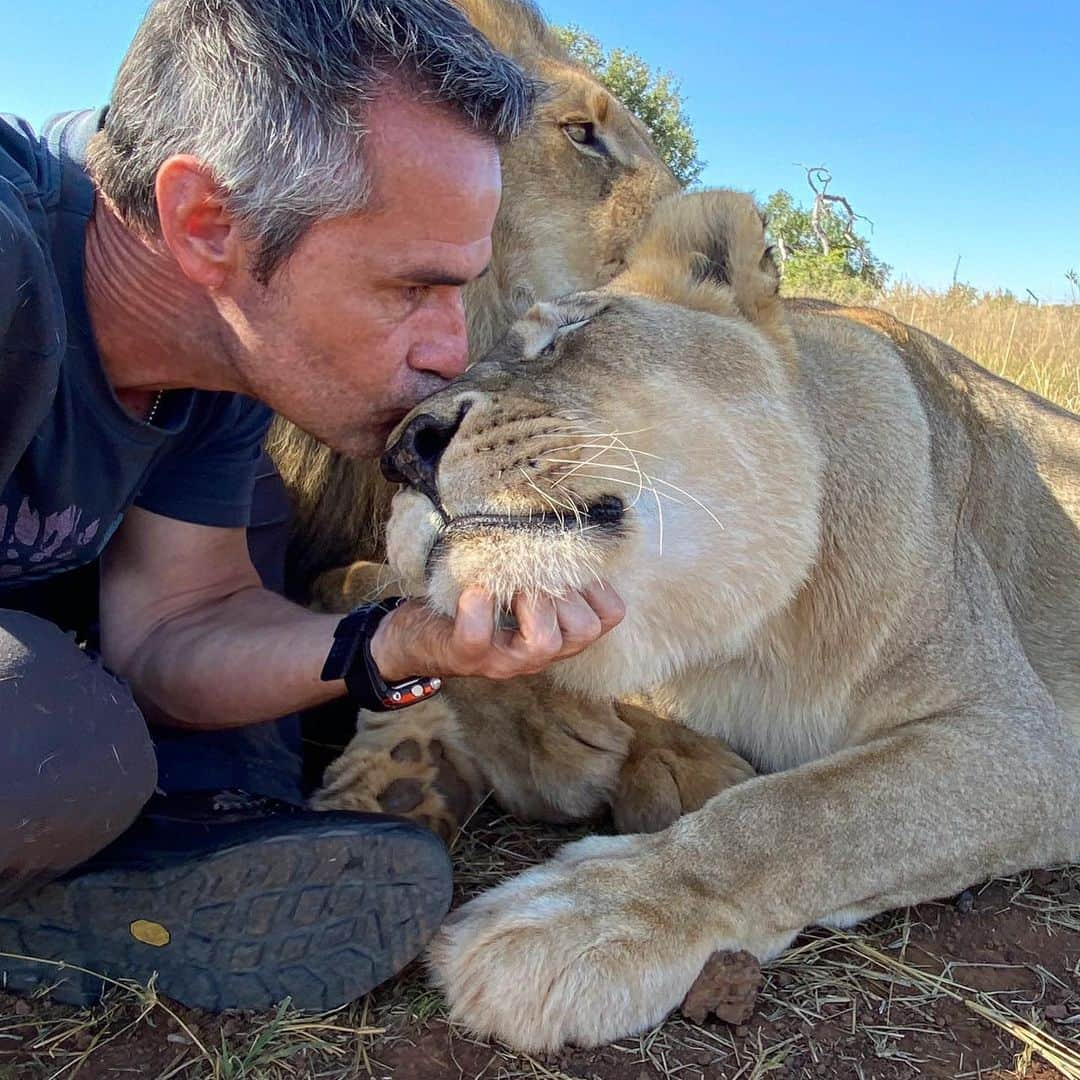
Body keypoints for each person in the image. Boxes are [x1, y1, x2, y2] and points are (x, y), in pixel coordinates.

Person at [0, 0, 625, 1013]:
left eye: (461, 290)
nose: (451, 353)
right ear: (207, 221)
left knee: (156, 719)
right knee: (62, 740)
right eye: (411, 288)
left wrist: (414, 644)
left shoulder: (214, 354)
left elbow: (174, 628)